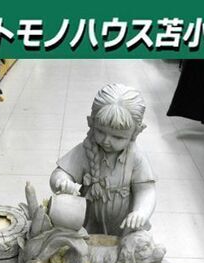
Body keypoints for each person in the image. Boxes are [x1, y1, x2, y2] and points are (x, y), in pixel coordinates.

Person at [50, 83, 156, 236]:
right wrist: (62, 181)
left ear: (135, 132)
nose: (106, 141)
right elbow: (60, 173)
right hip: (87, 221)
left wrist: (140, 212)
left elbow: (146, 190)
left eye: (118, 137)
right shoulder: (87, 149)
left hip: (123, 225)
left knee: (126, 247)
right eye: (100, 131)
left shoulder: (135, 157)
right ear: (91, 122)